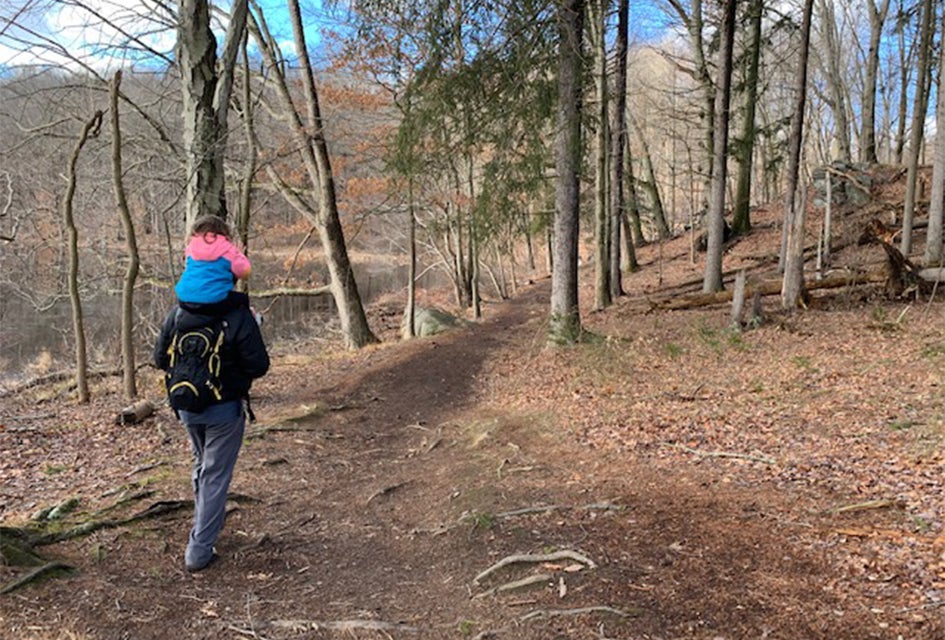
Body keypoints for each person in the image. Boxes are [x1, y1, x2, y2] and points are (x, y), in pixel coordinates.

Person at [153, 296, 269, 573]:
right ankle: (199, 550)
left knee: (202, 465)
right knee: (214, 474)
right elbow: (258, 366)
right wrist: (253, 327)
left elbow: (159, 359)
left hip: (186, 406)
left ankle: (205, 523)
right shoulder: (238, 316)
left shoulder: (178, 313)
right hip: (223, 410)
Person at [175, 215, 252, 315]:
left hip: (184, 299)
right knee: (242, 299)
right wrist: (240, 255)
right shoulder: (228, 249)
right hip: (214, 302)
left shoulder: (191, 246)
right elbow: (245, 272)